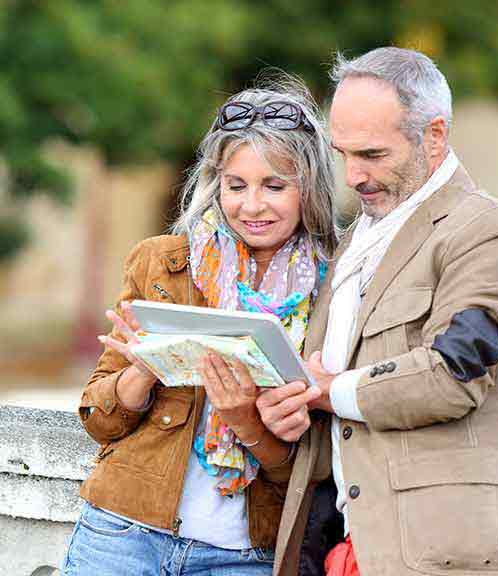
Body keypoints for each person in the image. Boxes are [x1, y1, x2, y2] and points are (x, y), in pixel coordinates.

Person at [257, 47, 498, 576]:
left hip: (455, 554)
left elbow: (453, 374)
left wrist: (326, 390)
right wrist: (286, 407)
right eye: (343, 154)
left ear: (435, 135)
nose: (353, 175)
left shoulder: (492, 232)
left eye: (373, 154)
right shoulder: (353, 242)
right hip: (340, 547)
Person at [60, 75, 336, 576]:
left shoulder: (336, 289)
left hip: (246, 554)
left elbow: (312, 472)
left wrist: (246, 421)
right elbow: (99, 421)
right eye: (236, 185)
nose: (251, 206)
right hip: (122, 534)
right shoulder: (162, 263)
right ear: (216, 183)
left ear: (309, 188)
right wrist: (141, 372)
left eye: (274, 185)